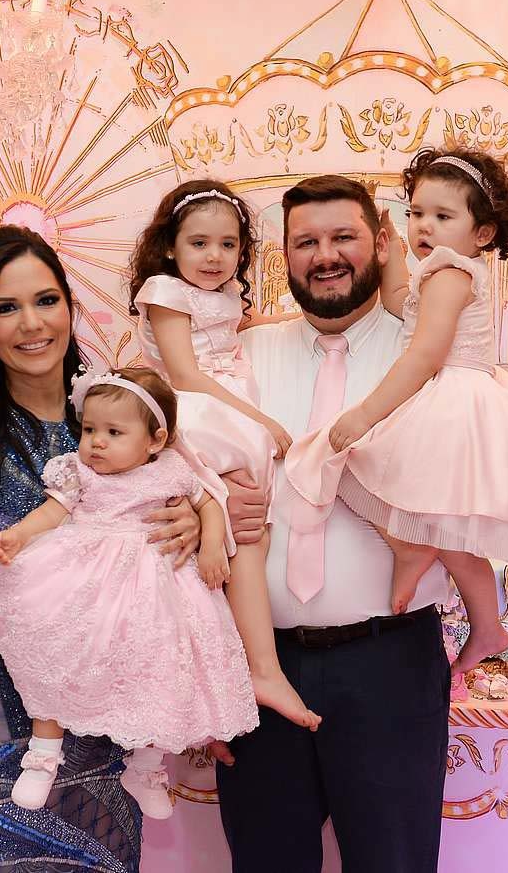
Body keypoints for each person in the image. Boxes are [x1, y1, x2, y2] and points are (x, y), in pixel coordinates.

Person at [0, 225, 201, 872]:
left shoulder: (119, 414)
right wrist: (70, 623)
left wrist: (192, 526)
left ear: (69, 305)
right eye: (5, 307)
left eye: (46, 300)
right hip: (1, 722)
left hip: (104, 727)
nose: (32, 323)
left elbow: (175, 514)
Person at [284, 147, 508, 674]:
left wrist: (366, 414)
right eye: (416, 213)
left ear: (483, 232)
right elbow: (400, 303)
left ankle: (418, 554)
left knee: (346, 462)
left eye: (442, 215)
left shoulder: (452, 274)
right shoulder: (442, 272)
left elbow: (425, 353)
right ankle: (485, 620)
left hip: (454, 397)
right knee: (448, 529)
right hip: (454, 394)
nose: (424, 226)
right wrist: (390, 252)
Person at [214, 176, 452, 873]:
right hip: (259, 664)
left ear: (380, 241)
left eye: (343, 236)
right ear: (283, 257)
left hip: (391, 663)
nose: (325, 256)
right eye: (306, 242)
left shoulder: (429, 355)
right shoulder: (239, 358)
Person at [0, 365, 258, 816]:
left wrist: (213, 545)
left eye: (114, 432)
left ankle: (146, 766)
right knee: (56, 648)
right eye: (89, 430)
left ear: (156, 440)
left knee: (163, 667)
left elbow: (210, 504)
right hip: (87, 577)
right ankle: (43, 754)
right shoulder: (79, 472)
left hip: (157, 590)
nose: (96, 442)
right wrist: (16, 538)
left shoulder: (173, 471)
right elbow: (51, 514)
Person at [129, 179, 319, 729]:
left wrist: (294, 321)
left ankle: (242, 669)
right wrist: (260, 420)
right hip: (197, 410)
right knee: (240, 523)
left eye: (228, 244)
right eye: (199, 243)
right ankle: (258, 668)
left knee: (252, 531)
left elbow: (239, 327)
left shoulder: (225, 292)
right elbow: (186, 375)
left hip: (224, 406)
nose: (214, 256)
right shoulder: (165, 292)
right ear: (170, 247)